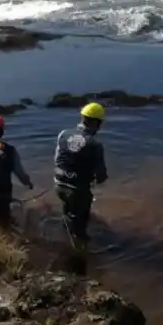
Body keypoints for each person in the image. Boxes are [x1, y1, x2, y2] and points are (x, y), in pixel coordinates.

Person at [53, 102, 109, 249]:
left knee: (68, 213)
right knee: (80, 223)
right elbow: (101, 175)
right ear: (96, 122)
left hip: (58, 184)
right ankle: (79, 250)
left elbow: (57, 159)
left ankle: (65, 238)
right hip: (77, 191)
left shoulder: (63, 134)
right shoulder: (95, 145)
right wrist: (99, 178)